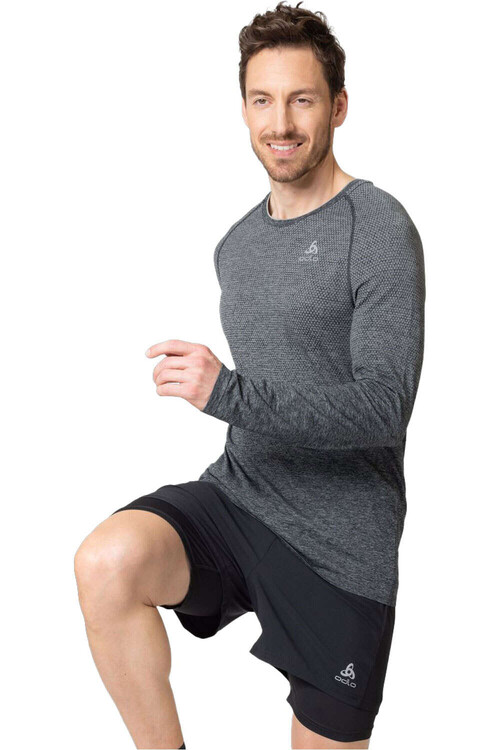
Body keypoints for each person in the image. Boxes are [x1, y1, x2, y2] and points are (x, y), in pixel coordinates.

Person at [74, 2, 425, 748]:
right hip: (241, 498)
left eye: (302, 100)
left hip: (341, 547)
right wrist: (231, 399)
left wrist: (226, 392)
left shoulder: (377, 227)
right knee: (107, 561)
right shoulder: (235, 245)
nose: (281, 123)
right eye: (263, 100)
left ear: (338, 107)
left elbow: (384, 406)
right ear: (243, 110)